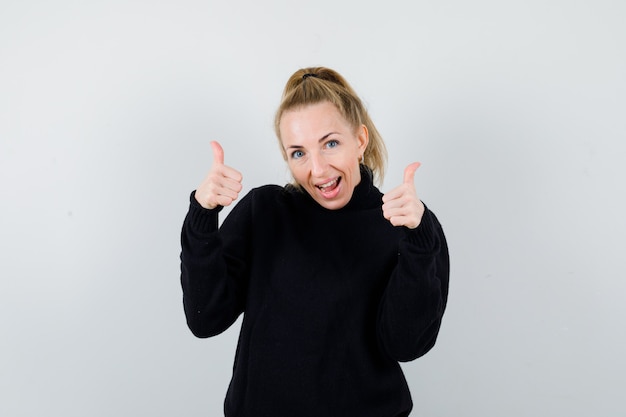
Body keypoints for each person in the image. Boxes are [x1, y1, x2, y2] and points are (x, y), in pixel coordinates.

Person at [180, 66, 449, 417]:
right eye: (298, 153)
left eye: (331, 144)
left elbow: (406, 344)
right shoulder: (265, 212)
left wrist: (417, 240)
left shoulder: (405, 225)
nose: (318, 169)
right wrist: (203, 214)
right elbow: (205, 319)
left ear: (361, 140)